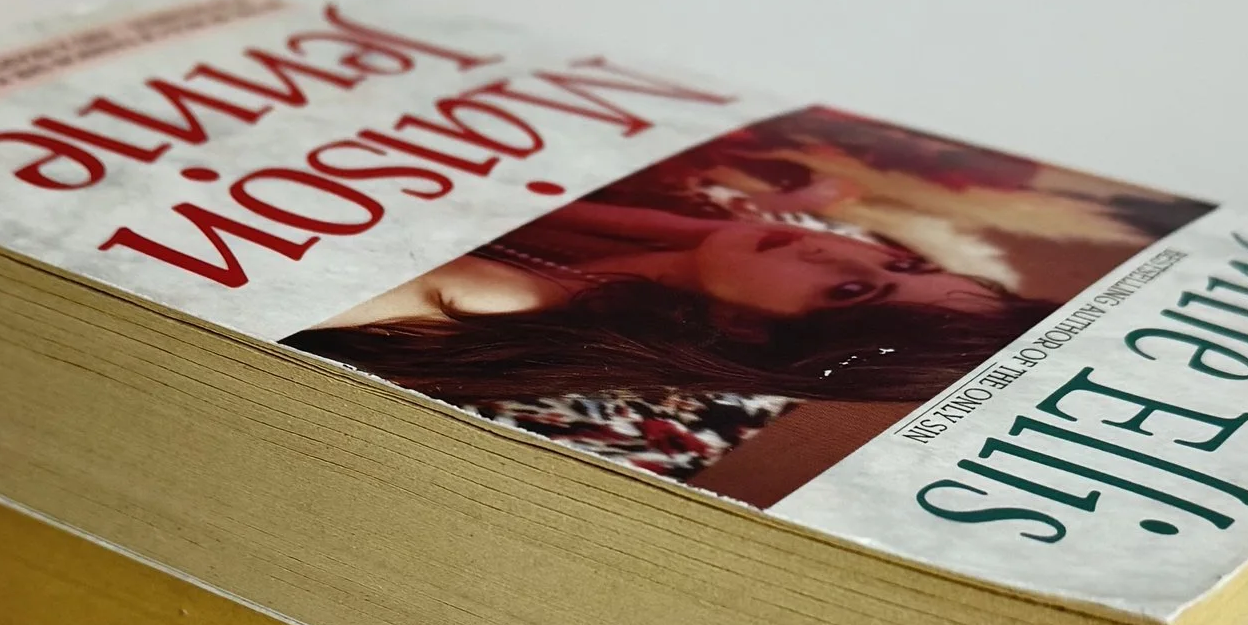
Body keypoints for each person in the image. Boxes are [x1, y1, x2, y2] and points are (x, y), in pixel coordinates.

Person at [285, 196, 1043, 406]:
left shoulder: (496, 297)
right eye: (902, 261)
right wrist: (700, 239)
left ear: (749, 330)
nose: (840, 248)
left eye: (850, 289)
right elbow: (537, 205)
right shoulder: (651, 259)